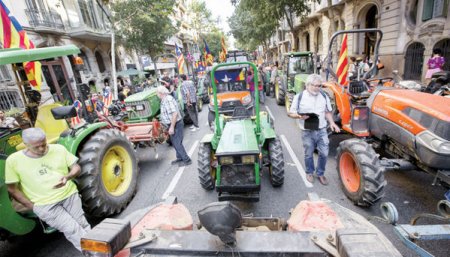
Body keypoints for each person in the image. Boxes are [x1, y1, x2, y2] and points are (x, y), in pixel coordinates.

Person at [5, 128, 90, 251]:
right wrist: (33, 206)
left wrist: (68, 176)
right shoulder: (13, 161)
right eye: (36, 147)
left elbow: (76, 167)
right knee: (72, 229)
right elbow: (12, 189)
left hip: (69, 195)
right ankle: (99, 253)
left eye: (43, 144)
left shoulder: (58, 149)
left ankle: (97, 251)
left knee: (83, 224)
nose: (41, 149)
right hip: (45, 205)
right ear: (26, 144)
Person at [288, 74, 340, 185]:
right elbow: (291, 113)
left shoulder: (324, 96)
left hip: (321, 130)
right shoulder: (300, 97)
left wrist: (332, 123)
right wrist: (299, 116)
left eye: (319, 86)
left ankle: (320, 173)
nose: (317, 88)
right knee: (309, 153)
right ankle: (309, 172)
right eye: (314, 85)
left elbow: (327, 112)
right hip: (307, 131)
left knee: (324, 153)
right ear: (307, 85)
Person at [156, 86, 192, 166]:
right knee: (175, 142)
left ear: (161, 93)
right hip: (173, 124)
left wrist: (172, 127)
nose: (157, 95)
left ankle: (186, 160)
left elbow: (174, 114)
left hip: (176, 124)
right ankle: (179, 158)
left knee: (177, 143)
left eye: (157, 93)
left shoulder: (168, 99)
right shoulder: (165, 99)